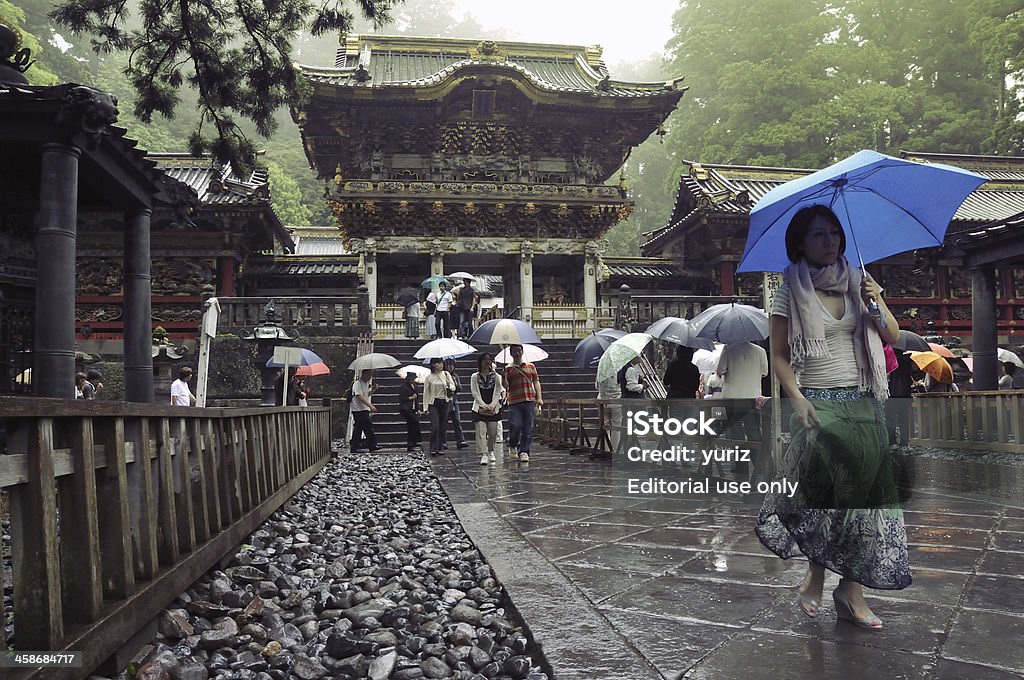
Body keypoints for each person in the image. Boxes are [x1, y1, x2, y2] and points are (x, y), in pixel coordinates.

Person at [755, 204, 909, 631]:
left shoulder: (859, 284)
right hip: (817, 402)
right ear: (800, 243)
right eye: (819, 235)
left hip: (863, 401)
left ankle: (850, 589)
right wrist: (798, 398)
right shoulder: (789, 290)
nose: (830, 242)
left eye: (835, 233)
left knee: (863, 505)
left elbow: (893, 336)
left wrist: (876, 300)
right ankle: (818, 575)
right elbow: (780, 355)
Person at [717, 340, 769, 445]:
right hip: (753, 396)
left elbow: (720, 370)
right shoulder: (761, 351)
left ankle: (741, 461)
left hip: (731, 397)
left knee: (735, 432)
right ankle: (757, 460)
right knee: (754, 431)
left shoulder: (728, 348)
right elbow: (765, 372)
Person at [503, 344, 543, 463]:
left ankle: (524, 451)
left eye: (519, 351)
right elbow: (505, 386)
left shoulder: (530, 366)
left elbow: (536, 382)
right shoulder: (508, 369)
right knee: (516, 425)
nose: (517, 353)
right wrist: (504, 376)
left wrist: (539, 397)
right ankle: (513, 443)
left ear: (522, 352)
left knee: (528, 427)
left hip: (529, 399)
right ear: (511, 353)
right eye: (514, 351)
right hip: (514, 401)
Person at [471, 353, 505, 464]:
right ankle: (483, 453)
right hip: (479, 408)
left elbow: (497, 391)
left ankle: (491, 450)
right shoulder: (475, 376)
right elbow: (475, 392)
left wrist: (492, 404)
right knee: (481, 431)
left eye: (489, 359)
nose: (487, 361)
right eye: (485, 359)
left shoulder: (496, 376)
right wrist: (483, 404)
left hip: (493, 408)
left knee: (492, 432)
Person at [423, 358, 455, 456]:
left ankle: (440, 446)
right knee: (435, 426)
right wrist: (425, 407)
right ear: (433, 365)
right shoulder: (429, 377)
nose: (440, 365)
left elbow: (454, 387)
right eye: (438, 363)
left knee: (443, 426)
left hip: (444, 402)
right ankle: (433, 447)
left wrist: (449, 385)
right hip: (434, 402)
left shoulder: (446, 374)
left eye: (441, 363)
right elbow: (426, 393)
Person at [887, 351, 914, 449]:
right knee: (904, 420)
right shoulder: (907, 363)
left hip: (891, 395)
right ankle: (904, 443)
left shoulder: (889, 361)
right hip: (904, 395)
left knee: (890, 420)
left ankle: (892, 442)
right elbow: (909, 380)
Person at [350, 369, 380, 453]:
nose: (370, 377)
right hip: (358, 409)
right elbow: (360, 396)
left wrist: (373, 389)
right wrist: (370, 406)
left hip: (364, 409)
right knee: (362, 428)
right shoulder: (357, 383)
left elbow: (366, 395)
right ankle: (358, 445)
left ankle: (370, 445)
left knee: (364, 428)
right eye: (369, 375)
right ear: (365, 374)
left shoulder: (366, 384)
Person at [444, 358, 470, 450]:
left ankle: (460, 440)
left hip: (454, 402)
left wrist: (455, 383)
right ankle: (443, 441)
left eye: (452, 366)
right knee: (444, 422)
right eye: (448, 365)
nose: (450, 367)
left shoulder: (455, 376)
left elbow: (459, 388)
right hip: (445, 401)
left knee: (457, 421)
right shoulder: (443, 376)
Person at [595, 369, 622, 454]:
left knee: (604, 425)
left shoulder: (601, 371)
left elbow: (596, 386)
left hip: (603, 401)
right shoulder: (618, 371)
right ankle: (615, 448)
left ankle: (605, 448)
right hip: (616, 401)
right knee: (616, 425)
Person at [398, 372, 423, 452]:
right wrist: (411, 397)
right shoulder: (404, 387)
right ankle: (416, 440)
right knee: (414, 422)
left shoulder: (415, 386)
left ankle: (411, 443)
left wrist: (418, 409)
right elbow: (401, 398)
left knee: (411, 425)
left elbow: (417, 399)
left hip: (412, 408)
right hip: (405, 408)